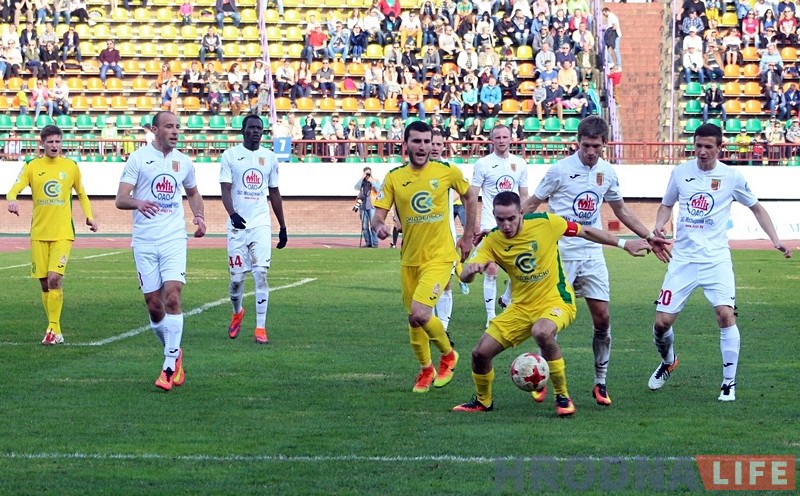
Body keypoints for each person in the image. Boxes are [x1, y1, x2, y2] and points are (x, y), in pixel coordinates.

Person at [452, 191, 653, 415]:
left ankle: (562, 396)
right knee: (480, 353)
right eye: (500, 220)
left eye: (511, 218)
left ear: (521, 213)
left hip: (556, 300)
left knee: (542, 331)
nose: (506, 225)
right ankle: (483, 401)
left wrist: (625, 244)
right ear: (494, 216)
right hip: (520, 308)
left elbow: (585, 231)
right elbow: (465, 277)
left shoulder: (546, 223)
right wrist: (470, 271)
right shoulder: (492, 241)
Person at [522, 116, 670, 406]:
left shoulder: (607, 172)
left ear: (605, 144)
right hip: (560, 255)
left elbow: (621, 210)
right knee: (549, 321)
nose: (590, 151)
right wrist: (506, 230)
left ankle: (600, 383)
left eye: (596, 146)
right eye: (586, 145)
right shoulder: (559, 170)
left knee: (602, 318)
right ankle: (540, 374)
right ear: (577, 142)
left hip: (592, 254)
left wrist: (649, 236)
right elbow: (531, 204)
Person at [647, 123, 792, 402]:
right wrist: (660, 224)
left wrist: (775, 240)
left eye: (708, 147)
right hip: (683, 259)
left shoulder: (731, 176)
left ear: (719, 148)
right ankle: (669, 361)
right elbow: (666, 204)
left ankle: (728, 384)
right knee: (661, 323)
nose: (702, 151)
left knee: (725, 315)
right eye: (698, 146)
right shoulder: (680, 172)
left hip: (716, 260)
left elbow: (757, 208)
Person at [371, 121, 478, 393]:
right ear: (405, 144)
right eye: (416, 141)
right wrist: (380, 226)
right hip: (410, 259)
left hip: (440, 257)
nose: (422, 147)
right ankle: (426, 369)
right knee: (413, 319)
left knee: (421, 312)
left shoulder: (446, 171)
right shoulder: (394, 178)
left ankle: (448, 355)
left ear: (433, 144)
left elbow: (470, 196)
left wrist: (467, 235)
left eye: (426, 141)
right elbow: (378, 215)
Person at [114, 111, 207, 392]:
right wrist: (138, 203)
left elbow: (193, 192)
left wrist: (199, 216)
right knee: (154, 307)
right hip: (144, 241)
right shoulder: (138, 159)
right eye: (169, 126)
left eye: (177, 126)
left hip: (173, 238)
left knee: (173, 297)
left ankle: (167, 368)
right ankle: (174, 352)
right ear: (155, 130)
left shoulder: (183, 162)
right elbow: (121, 199)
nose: (175, 131)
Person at [5, 124, 98, 345]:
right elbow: (13, 189)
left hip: (63, 233)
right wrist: (12, 199)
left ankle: (52, 329)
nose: (55, 146)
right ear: (42, 144)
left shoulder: (71, 166)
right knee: (45, 284)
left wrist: (89, 216)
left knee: (55, 278)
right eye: (51, 142)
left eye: (58, 141)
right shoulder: (32, 166)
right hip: (39, 233)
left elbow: (82, 193)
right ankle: (56, 330)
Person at [220, 114, 288, 345]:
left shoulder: (269, 158)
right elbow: (225, 189)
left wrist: (282, 226)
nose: (256, 131)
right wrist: (232, 214)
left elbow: (274, 193)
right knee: (237, 279)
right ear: (243, 131)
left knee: (261, 274)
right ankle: (237, 311)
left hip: (260, 224)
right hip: (237, 226)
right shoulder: (230, 156)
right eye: (251, 128)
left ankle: (260, 327)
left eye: (259, 128)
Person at [471, 124, 528, 328]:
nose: (502, 140)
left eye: (505, 137)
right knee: (491, 268)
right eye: (498, 137)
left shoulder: (520, 163)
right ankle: (491, 316)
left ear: (511, 139)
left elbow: (524, 195)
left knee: (522, 266)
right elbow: (472, 195)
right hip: (490, 223)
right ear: (492, 140)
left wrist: (524, 221)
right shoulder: (483, 164)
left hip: (514, 224)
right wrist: (474, 224)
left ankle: (506, 297)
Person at [429, 130, 470, 346]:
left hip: (445, 237)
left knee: (445, 283)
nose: (435, 147)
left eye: (439, 144)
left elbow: (467, 195)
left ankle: (443, 328)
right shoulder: (414, 170)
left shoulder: (449, 170)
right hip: (421, 239)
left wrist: (469, 230)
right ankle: (430, 326)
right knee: (425, 284)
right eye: (432, 143)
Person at [354, 166, 380, 248]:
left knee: (373, 225)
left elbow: (379, 189)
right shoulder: (362, 181)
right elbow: (356, 187)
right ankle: (368, 242)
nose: (368, 174)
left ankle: (375, 243)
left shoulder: (375, 180)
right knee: (365, 226)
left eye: (369, 173)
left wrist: (372, 181)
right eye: (366, 173)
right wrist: (362, 178)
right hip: (363, 206)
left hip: (372, 206)